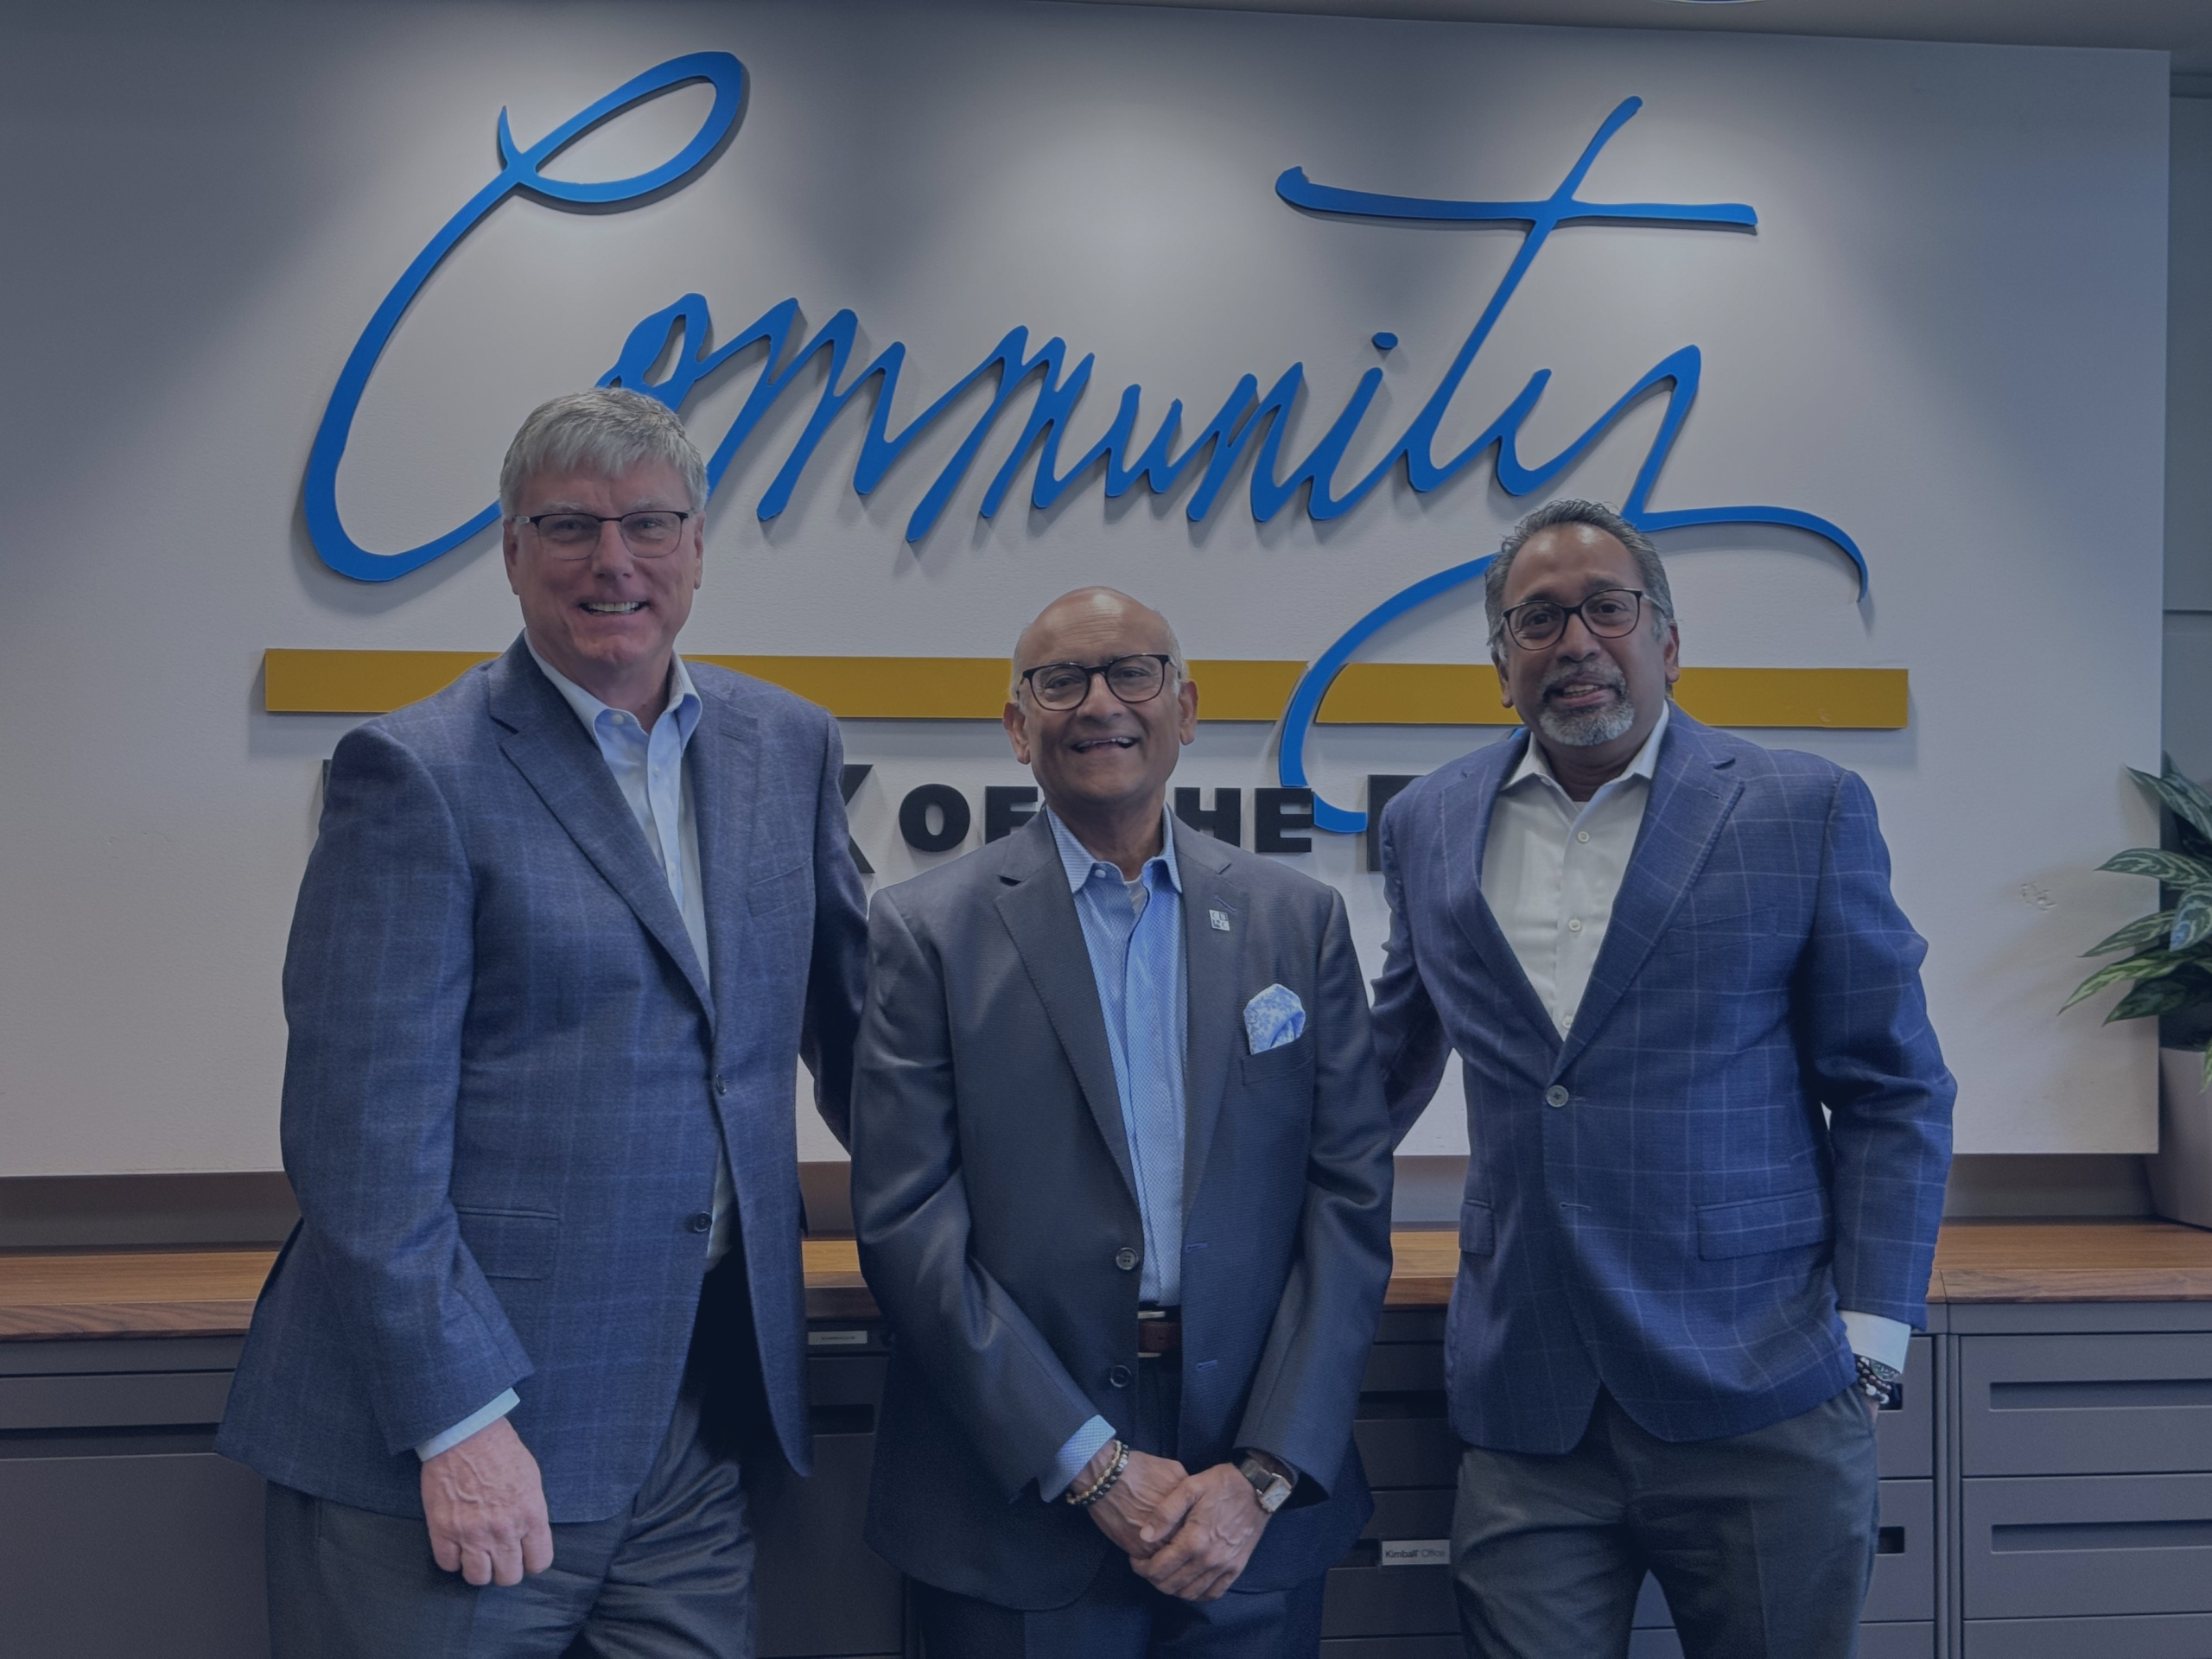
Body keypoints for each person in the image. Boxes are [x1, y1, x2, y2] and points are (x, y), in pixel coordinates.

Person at [217, 387, 868, 1657]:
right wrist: (458, 1423)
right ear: (511, 552)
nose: (612, 561)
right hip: (454, 1445)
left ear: (696, 545)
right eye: (568, 526)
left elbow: (864, 1042)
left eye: (647, 524)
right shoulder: (416, 772)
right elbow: (359, 1143)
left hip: (688, 1424)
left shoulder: (783, 744)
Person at [1370, 499, 1954, 1659]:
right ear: (1501, 665)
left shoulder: (1802, 806)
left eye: (1607, 607)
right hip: (1528, 1401)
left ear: (1668, 642)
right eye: (1537, 618)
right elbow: (1383, 1068)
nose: (1575, 640)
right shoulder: (1428, 820)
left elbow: (1891, 1087)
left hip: (1763, 1385)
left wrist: (1871, 1339)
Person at [849, 588, 1395, 1657]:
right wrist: (1087, 1463)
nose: (1100, 702)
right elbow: (909, 1227)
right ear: (1017, 726)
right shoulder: (926, 932)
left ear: (1184, 709)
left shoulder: (1299, 921)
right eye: (1061, 681)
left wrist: (1265, 1474)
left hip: (1245, 1495)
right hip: (1012, 1491)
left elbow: (1348, 1204)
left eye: (1132, 673)